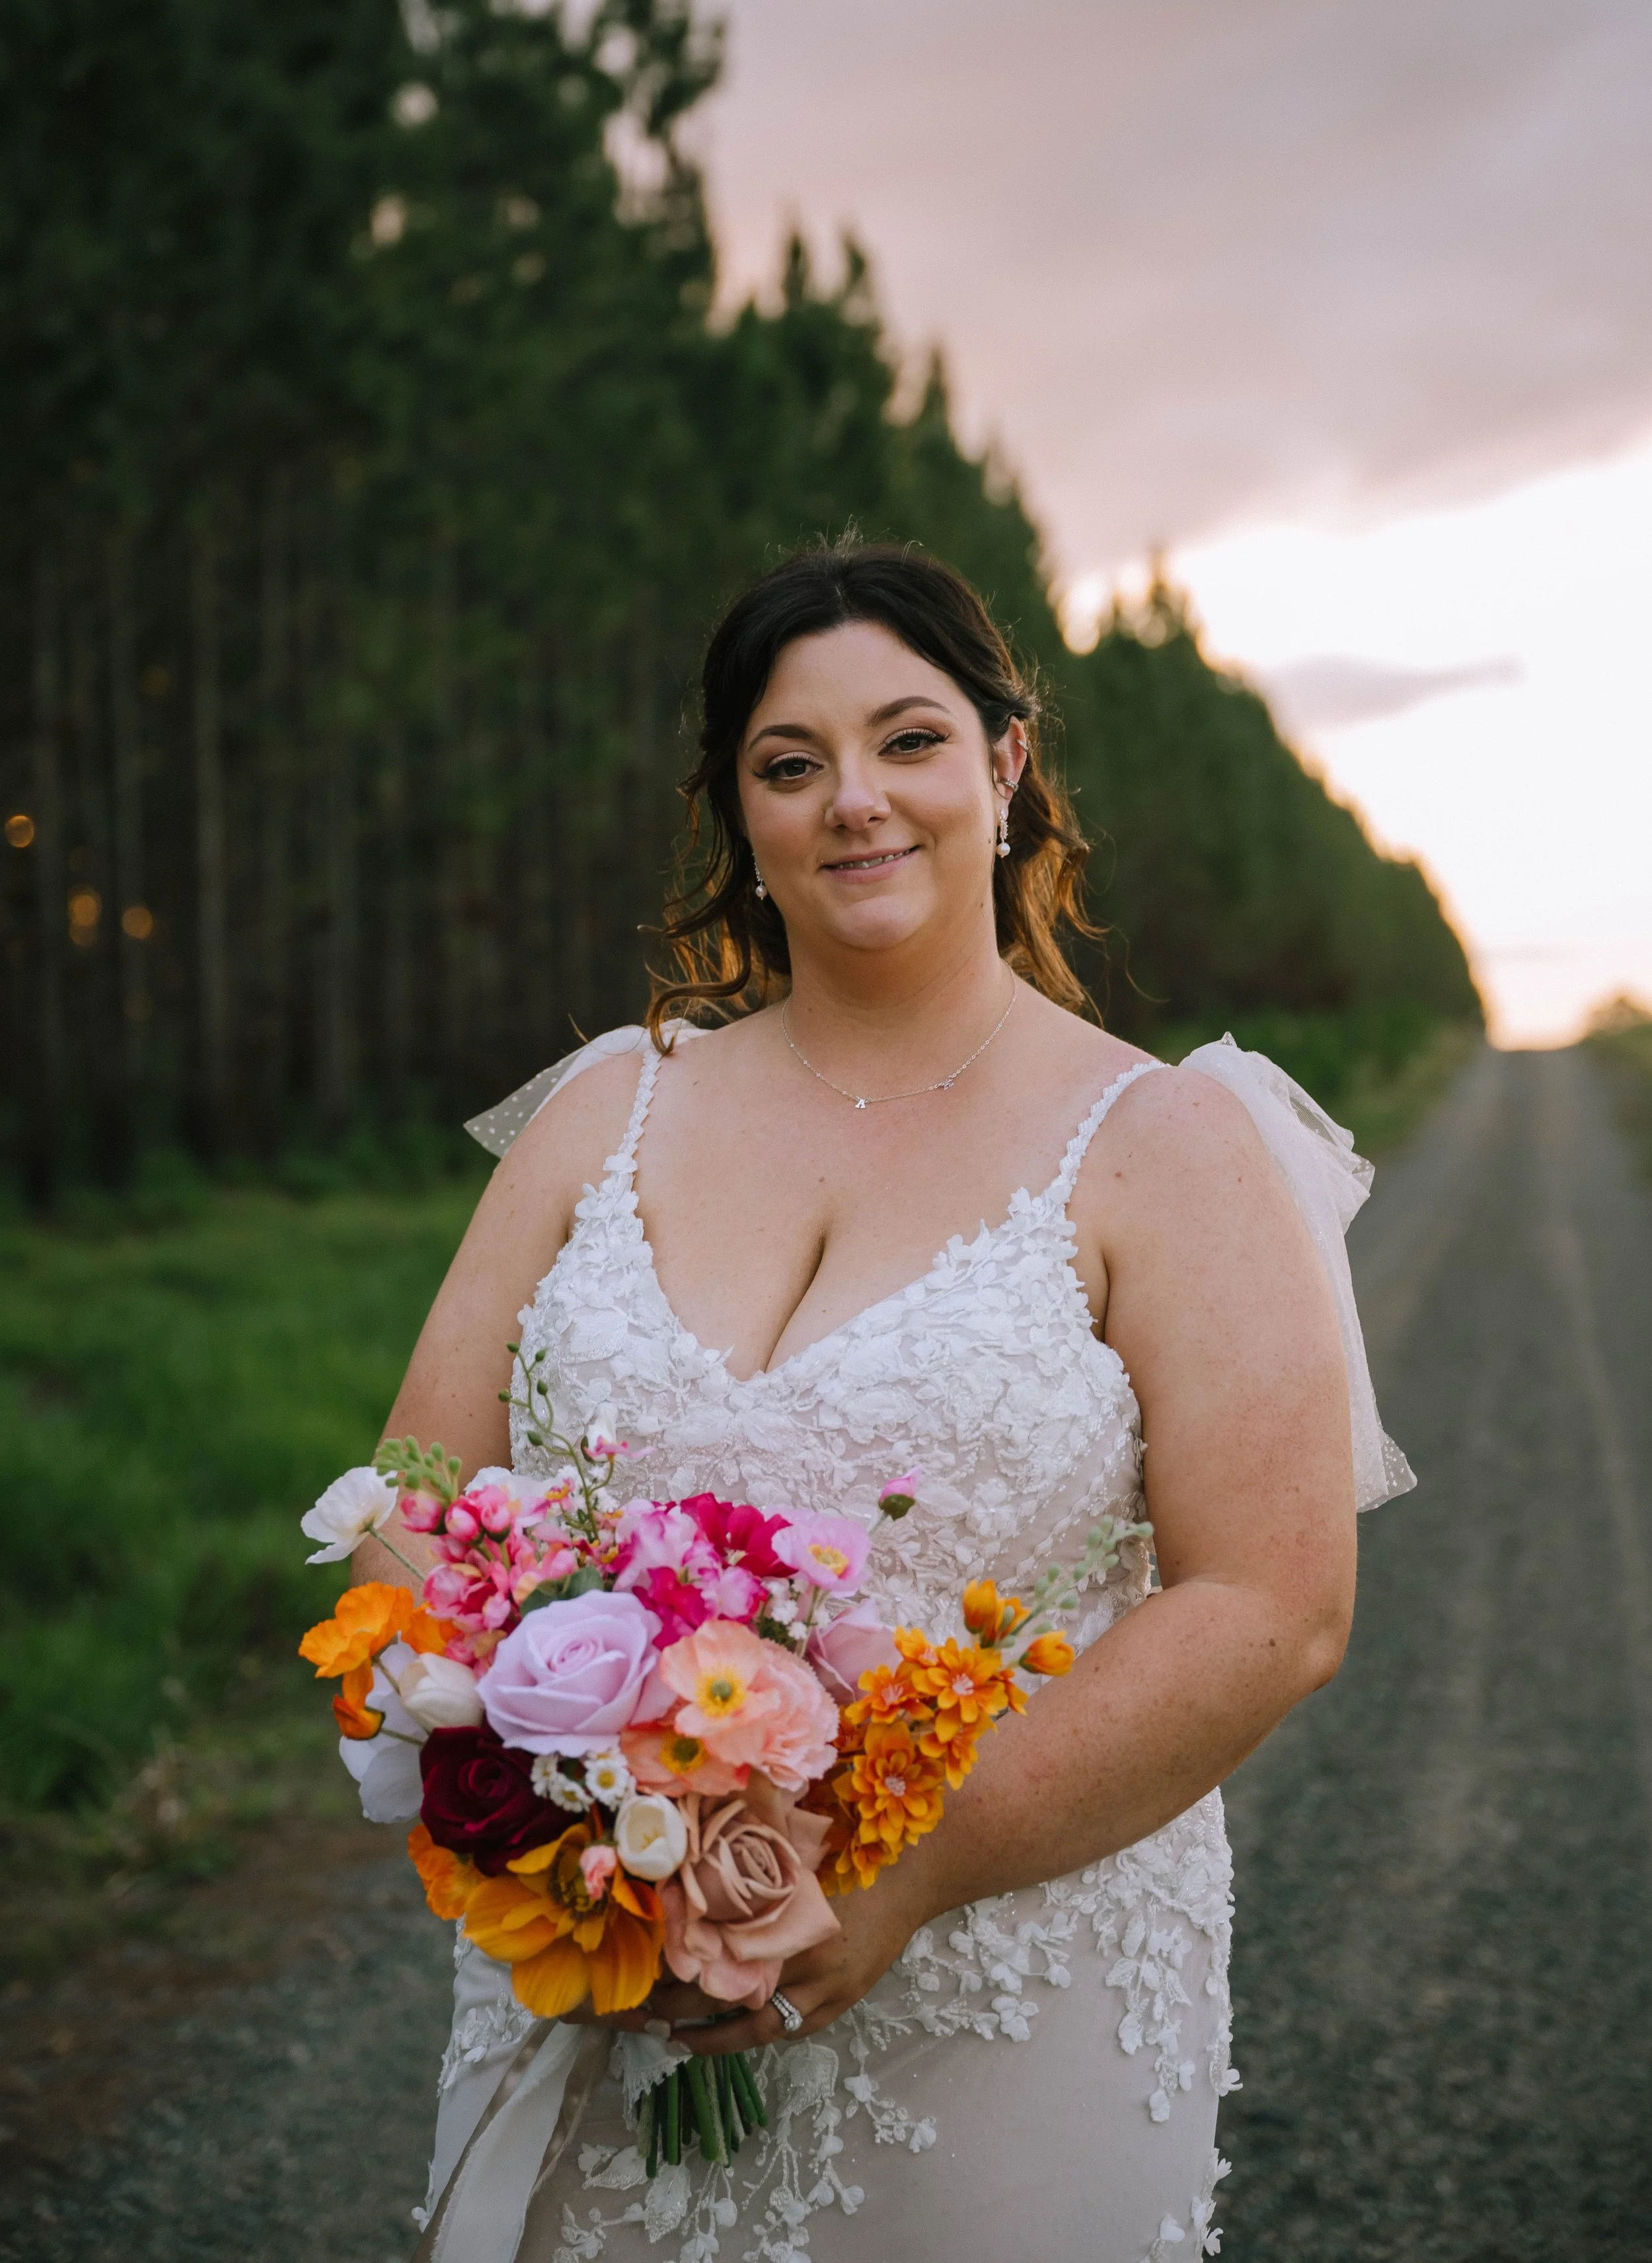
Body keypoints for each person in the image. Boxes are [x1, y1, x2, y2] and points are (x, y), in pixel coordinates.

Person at [361, 541, 1412, 2263]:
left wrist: (915, 1860)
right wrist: (539, 1802)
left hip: (998, 2010)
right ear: (736, 815)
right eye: (790, 763)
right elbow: (412, 1475)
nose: (854, 800)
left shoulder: (1162, 1147)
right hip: (595, 1974)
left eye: (907, 739)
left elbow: (1270, 1603)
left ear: (1003, 768)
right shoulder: (605, 1110)